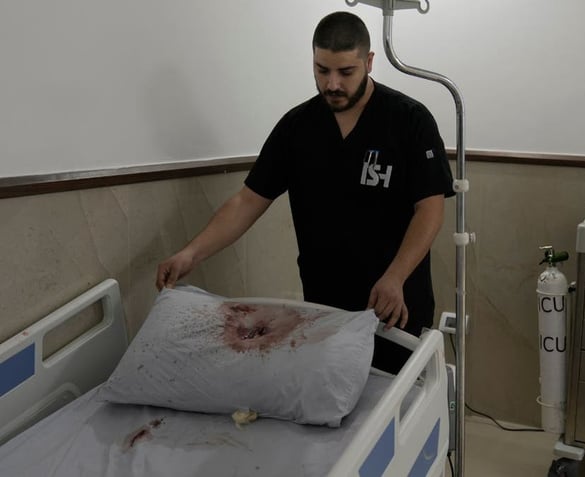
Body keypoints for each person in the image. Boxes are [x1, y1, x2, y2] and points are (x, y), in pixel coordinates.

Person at [155, 11, 455, 374]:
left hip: (394, 301)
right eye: (321, 70)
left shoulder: (410, 120)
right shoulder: (297, 128)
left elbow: (430, 210)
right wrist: (191, 254)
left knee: (398, 408)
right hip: (324, 304)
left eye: (346, 72)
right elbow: (247, 201)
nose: (332, 84)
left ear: (369, 62)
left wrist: (395, 276)